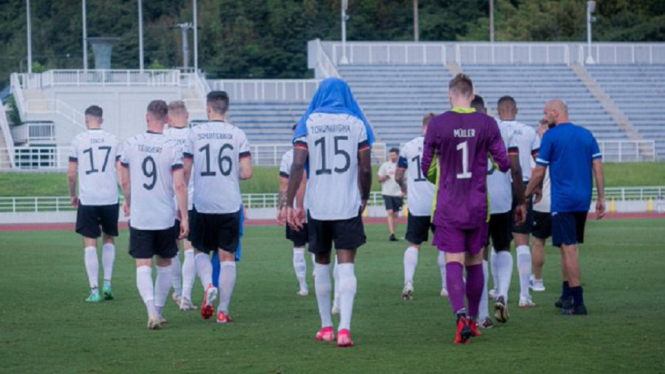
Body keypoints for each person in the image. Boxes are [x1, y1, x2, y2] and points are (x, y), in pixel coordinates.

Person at [421, 73, 521, 345]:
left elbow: (426, 167)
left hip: (449, 204)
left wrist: (442, 179)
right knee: (475, 261)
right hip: (477, 205)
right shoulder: (487, 123)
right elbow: (503, 163)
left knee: (453, 260)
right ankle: (474, 319)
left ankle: (461, 317)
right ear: (472, 95)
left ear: (450, 94)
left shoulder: (438, 124)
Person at [283, 77, 373, 348]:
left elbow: (297, 166)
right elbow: (366, 169)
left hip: (318, 206)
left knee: (321, 263)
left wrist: (289, 203)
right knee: (346, 264)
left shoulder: (308, 122)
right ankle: (344, 329)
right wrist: (364, 197)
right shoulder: (357, 124)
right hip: (347, 205)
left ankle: (326, 327)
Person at [525, 99, 605, 316]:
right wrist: (600, 198)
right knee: (565, 247)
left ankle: (577, 302)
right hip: (582, 200)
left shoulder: (551, 136)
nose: (544, 117)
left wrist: (524, 195)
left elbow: (539, 171)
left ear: (555, 112)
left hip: (563, 201)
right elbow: (597, 166)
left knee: (568, 248)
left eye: (545, 113)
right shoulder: (586, 134)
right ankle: (565, 294)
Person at [119, 100, 189, 329]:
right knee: (165, 264)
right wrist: (184, 216)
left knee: (142, 265)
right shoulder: (172, 146)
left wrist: (128, 202)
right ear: (167, 119)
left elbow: (125, 180)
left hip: (141, 215)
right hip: (164, 215)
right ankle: (157, 310)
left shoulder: (131, 144)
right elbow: (179, 186)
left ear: (147, 117)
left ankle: (150, 311)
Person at [185, 91, 252, 324]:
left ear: (208, 108)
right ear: (227, 109)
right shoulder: (237, 134)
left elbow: (184, 171)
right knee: (227, 258)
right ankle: (223, 311)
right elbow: (246, 172)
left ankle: (208, 285)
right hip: (229, 203)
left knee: (199, 250)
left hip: (202, 203)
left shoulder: (195, 133)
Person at [68, 105, 121, 303]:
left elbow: (71, 174)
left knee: (89, 242)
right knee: (109, 238)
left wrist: (72, 195)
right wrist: (126, 196)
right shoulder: (113, 139)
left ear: (85, 119)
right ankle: (107, 283)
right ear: (102, 119)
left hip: (88, 198)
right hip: (109, 197)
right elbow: (121, 172)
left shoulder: (78, 141)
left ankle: (94, 290)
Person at [395, 113, 446, 300]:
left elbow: (399, 176)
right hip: (439, 203)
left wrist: (404, 188)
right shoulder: (443, 144)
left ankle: (408, 282)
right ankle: (445, 287)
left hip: (417, 204)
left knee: (413, 244)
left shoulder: (408, 146)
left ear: (422, 127)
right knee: (444, 246)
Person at [496, 96, 540, 309]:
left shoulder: (492, 129)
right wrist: (536, 186)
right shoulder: (529, 131)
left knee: (498, 243)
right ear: (516, 110)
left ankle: (498, 290)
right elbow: (539, 162)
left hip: (500, 187)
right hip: (522, 186)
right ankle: (524, 295)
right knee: (522, 242)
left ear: (497, 111)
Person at [484, 101, 526, 323]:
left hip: (476, 200)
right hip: (501, 200)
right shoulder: (505, 132)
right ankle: (502, 292)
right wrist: (521, 200)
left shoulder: (463, 131)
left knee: (478, 253)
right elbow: (515, 169)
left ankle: (481, 313)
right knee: (503, 247)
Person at [163, 100, 197, 311]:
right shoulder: (194, 135)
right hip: (192, 197)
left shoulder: (163, 137)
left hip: (166, 199)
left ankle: (177, 292)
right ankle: (185, 295)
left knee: (171, 249)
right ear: (187, 115)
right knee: (190, 248)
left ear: (168, 118)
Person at [277, 124, 311, 296]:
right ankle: (317, 281)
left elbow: (284, 184)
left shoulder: (290, 156)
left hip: (299, 208)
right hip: (317, 208)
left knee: (298, 247)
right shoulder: (319, 153)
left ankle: (303, 286)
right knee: (318, 247)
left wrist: (282, 207)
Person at [530, 120, 551, 292]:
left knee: (538, 242)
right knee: (568, 246)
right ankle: (569, 284)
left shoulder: (538, 152)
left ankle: (537, 280)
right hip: (561, 204)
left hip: (541, 204)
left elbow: (534, 175)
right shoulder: (561, 149)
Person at [378, 148, 403, 241]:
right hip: (387, 192)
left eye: (394, 155)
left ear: (397, 155)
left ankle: (393, 232)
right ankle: (391, 233)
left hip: (398, 193)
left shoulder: (400, 166)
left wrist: (404, 191)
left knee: (396, 214)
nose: (392, 156)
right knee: (390, 212)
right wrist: (385, 177)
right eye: (391, 155)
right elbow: (379, 179)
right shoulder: (385, 165)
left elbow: (405, 179)